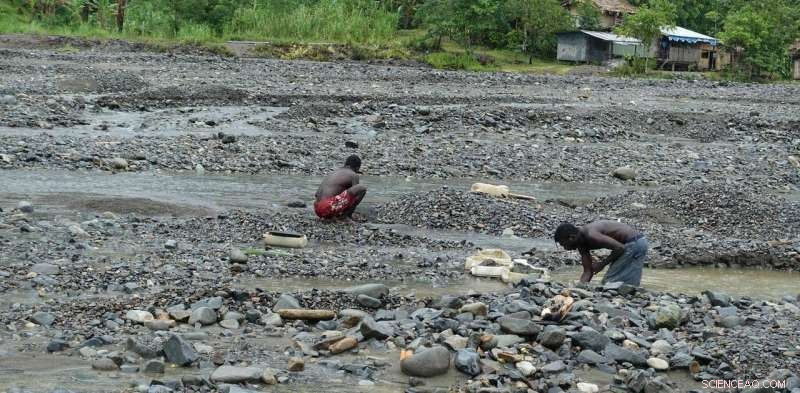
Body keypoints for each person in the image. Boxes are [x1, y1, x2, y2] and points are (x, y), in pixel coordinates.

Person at [553, 220, 648, 286]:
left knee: (609, 284)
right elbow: (588, 271)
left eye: (564, 244)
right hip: (631, 245)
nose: (565, 248)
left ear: (571, 237)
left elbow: (620, 248)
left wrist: (602, 264)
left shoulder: (591, 235)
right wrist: (579, 288)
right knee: (625, 282)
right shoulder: (581, 243)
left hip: (634, 243)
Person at [314, 155, 367, 222]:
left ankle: (335, 214)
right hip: (327, 207)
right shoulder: (354, 175)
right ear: (357, 168)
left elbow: (316, 194)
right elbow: (355, 194)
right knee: (362, 188)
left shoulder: (334, 172)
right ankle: (345, 216)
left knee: (344, 192)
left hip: (317, 208)